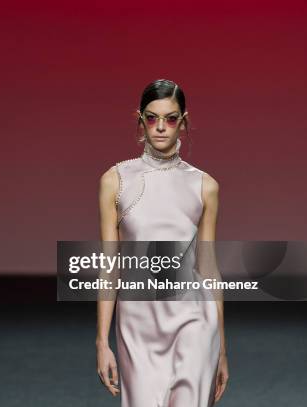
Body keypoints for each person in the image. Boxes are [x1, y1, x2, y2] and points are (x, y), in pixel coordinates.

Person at [96, 79, 229, 406]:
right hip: (137, 324)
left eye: (170, 119)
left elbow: (209, 268)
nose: (160, 128)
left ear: (183, 122)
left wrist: (222, 348)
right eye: (152, 118)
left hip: (194, 320)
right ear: (140, 120)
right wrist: (102, 341)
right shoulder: (115, 181)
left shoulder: (204, 186)